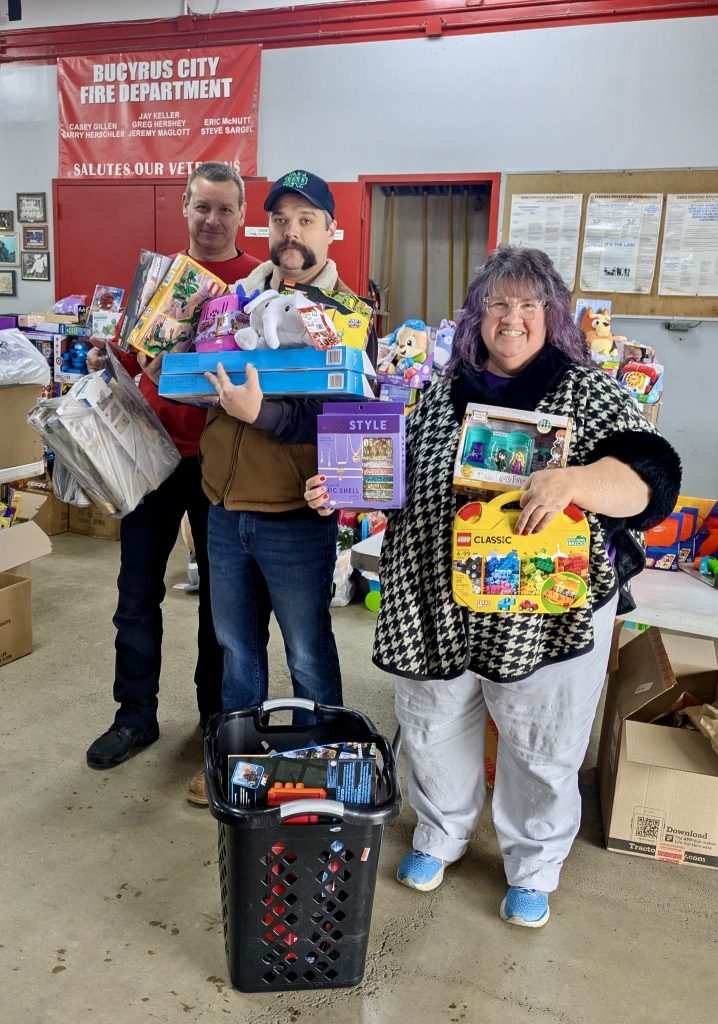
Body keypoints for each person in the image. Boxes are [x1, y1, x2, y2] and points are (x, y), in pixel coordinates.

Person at [306, 246, 681, 927]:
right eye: (498, 304)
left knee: (542, 744)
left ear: (552, 315)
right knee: (431, 724)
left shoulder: (589, 391)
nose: (512, 318)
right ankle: (440, 831)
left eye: (529, 305)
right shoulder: (440, 393)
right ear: (476, 316)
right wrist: (346, 491)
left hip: (545, 612)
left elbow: (651, 480)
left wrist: (575, 481)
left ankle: (533, 863)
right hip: (434, 602)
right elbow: (398, 484)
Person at [85, 162, 261, 772]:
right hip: (152, 457)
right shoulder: (155, 282)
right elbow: (128, 362)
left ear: (242, 216)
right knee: (136, 593)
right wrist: (105, 357)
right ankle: (134, 714)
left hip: (224, 464)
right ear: (185, 208)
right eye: (202, 207)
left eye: (224, 209)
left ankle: (214, 719)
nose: (212, 220)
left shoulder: (255, 287)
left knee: (222, 601)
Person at [186, 170, 352, 805]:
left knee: (307, 651)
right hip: (224, 509)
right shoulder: (232, 299)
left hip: (293, 517)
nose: (292, 232)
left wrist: (263, 414)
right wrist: (167, 366)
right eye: (282, 220)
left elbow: (338, 418)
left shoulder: (346, 319)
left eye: (307, 220)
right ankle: (238, 763)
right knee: (236, 650)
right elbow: (206, 378)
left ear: (330, 232)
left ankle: (329, 765)